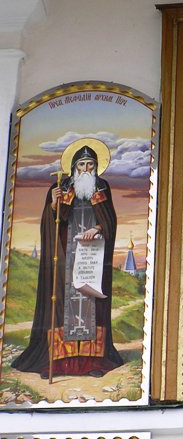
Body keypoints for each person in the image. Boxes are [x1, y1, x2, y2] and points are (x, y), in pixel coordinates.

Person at [12, 142, 123, 378]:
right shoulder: (60, 186)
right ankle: (59, 361)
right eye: (82, 164)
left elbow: (109, 220)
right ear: (74, 167)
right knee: (62, 303)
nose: (86, 169)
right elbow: (52, 221)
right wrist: (54, 203)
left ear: (96, 166)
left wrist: (97, 228)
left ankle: (93, 361)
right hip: (66, 258)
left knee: (92, 303)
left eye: (90, 164)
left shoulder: (101, 186)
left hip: (93, 258)